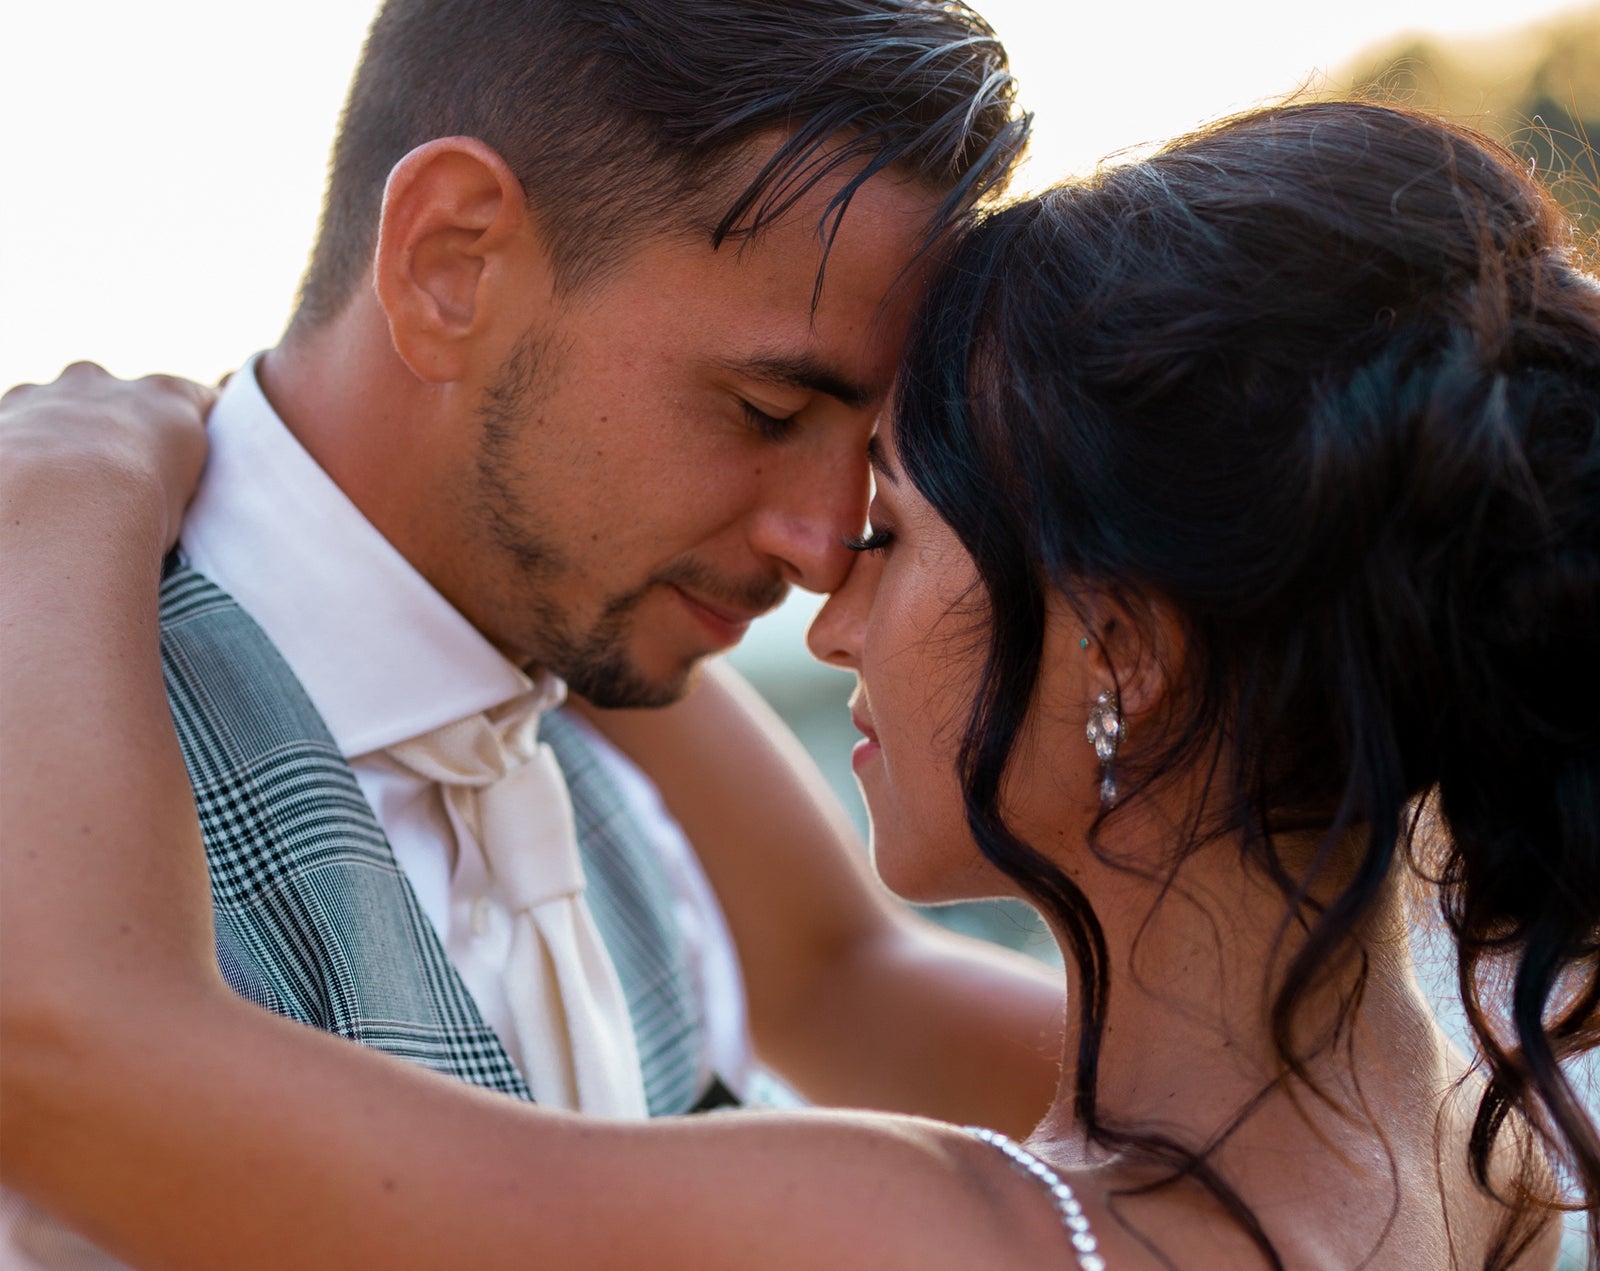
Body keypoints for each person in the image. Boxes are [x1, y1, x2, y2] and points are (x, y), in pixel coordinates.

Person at [4, 98, 1598, 1269]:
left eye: (891, 528)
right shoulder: (1476, 1158)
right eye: (774, 419)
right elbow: (836, 971)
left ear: (1125, 650)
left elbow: (63, 1049)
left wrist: (65, 483)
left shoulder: (908, 1230)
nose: (826, 596)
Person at [0, 1, 1068, 1265]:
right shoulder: (56, 696)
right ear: (451, 264)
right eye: (768, 409)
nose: (829, 548)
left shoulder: (597, 676)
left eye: (875, 447)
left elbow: (846, 973)